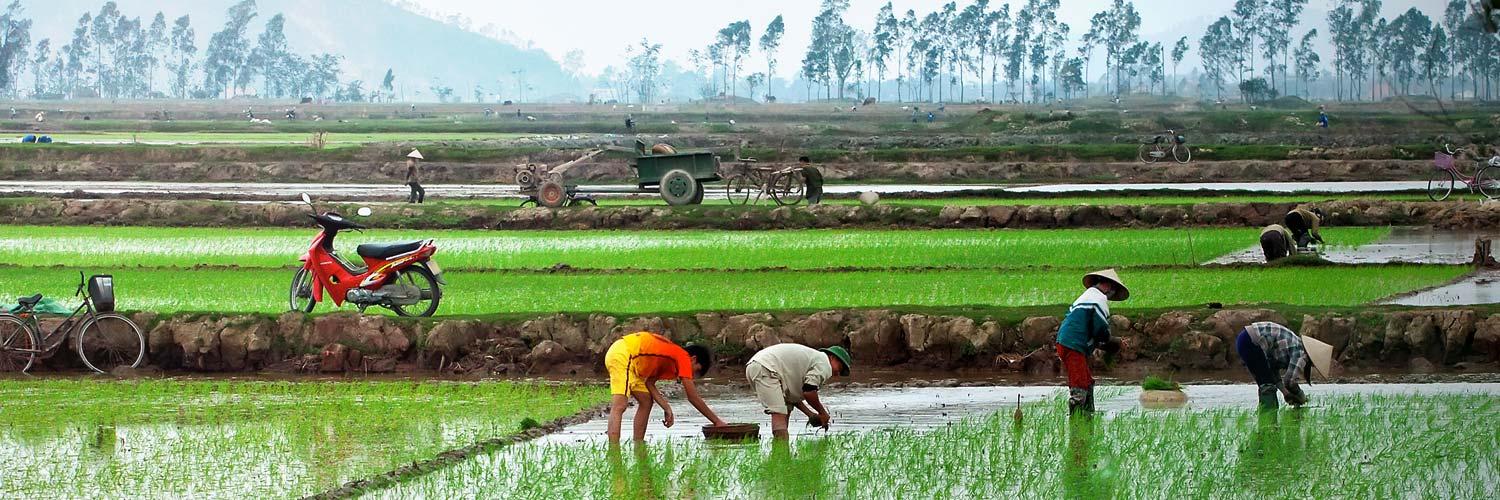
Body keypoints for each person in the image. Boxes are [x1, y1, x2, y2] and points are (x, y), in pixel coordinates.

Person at [604, 331, 726, 442]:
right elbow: (693, 397)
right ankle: (614, 450)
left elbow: (649, 383)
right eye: (695, 370)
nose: (691, 375)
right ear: (693, 359)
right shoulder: (682, 357)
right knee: (619, 406)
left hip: (632, 363)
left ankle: (638, 443)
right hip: (624, 354)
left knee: (646, 401)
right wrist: (716, 421)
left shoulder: (669, 359)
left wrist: (666, 407)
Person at [1056, 269, 1127, 415]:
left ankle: (1088, 416)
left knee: (1087, 381)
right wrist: (1114, 343)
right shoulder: (1098, 299)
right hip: (1073, 344)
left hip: (1066, 341)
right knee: (1080, 385)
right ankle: (1077, 424)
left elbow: (1092, 330)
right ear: (1107, 285)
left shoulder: (1087, 296)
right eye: (1113, 289)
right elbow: (1100, 330)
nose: (1111, 293)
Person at [745, 343, 851, 439]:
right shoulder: (824, 363)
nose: (837, 374)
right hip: (766, 368)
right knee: (779, 413)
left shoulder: (813, 359)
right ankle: (782, 454)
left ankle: (780, 453)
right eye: (840, 368)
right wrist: (823, 413)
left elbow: (792, 397)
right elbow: (809, 391)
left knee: (785, 409)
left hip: (759, 365)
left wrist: (810, 414)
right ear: (832, 358)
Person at [1235, 322, 1332, 409]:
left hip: (1244, 338)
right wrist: (1301, 396)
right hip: (1251, 341)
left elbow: (1272, 370)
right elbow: (1289, 381)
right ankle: (1269, 421)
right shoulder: (1300, 353)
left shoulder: (1293, 346)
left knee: (1265, 383)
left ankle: (1266, 421)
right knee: (1267, 386)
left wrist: (1285, 393)